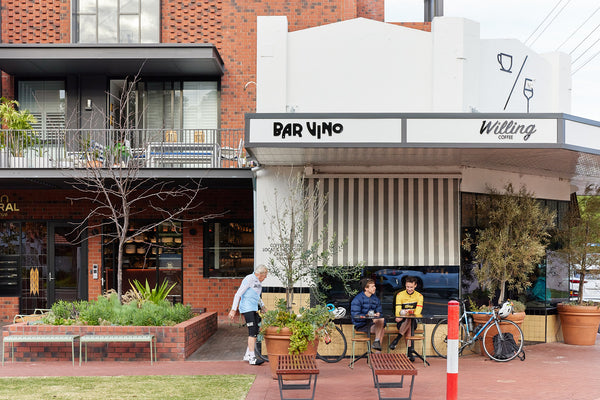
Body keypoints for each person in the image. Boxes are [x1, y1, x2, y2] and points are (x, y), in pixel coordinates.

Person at [228, 264, 268, 365]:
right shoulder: (249, 278)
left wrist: (263, 306)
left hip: (254, 308)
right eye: (265, 275)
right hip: (247, 308)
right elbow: (238, 294)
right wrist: (233, 309)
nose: (266, 277)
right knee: (252, 332)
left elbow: (257, 296)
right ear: (260, 274)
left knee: (255, 331)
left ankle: (247, 355)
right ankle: (252, 358)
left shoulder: (258, 283)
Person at [389, 276, 423, 351]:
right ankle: (409, 352)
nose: (409, 289)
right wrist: (401, 314)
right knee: (408, 324)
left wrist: (407, 313)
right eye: (407, 287)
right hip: (401, 322)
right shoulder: (400, 295)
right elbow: (397, 310)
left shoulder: (419, 296)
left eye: (411, 287)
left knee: (410, 319)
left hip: (413, 321)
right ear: (405, 285)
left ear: (415, 286)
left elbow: (417, 312)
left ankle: (397, 339)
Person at [351, 278, 385, 351]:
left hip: (372, 324)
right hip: (361, 325)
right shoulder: (357, 300)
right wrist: (368, 316)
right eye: (372, 286)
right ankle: (377, 355)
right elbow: (355, 316)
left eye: (374, 286)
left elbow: (380, 313)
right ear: (366, 288)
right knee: (381, 329)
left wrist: (378, 314)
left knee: (381, 321)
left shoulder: (376, 299)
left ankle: (376, 342)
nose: (375, 288)